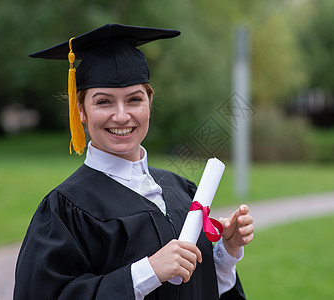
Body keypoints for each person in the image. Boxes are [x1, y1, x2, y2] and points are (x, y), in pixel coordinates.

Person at [14, 23, 254, 300]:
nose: (121, 115)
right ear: (80, 109)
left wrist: (227, 252)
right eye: (104, 102)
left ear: (149, 101)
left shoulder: (183, 191)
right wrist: (147, 272)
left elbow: (203, 290)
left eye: (134, 100)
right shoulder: (64, 210)